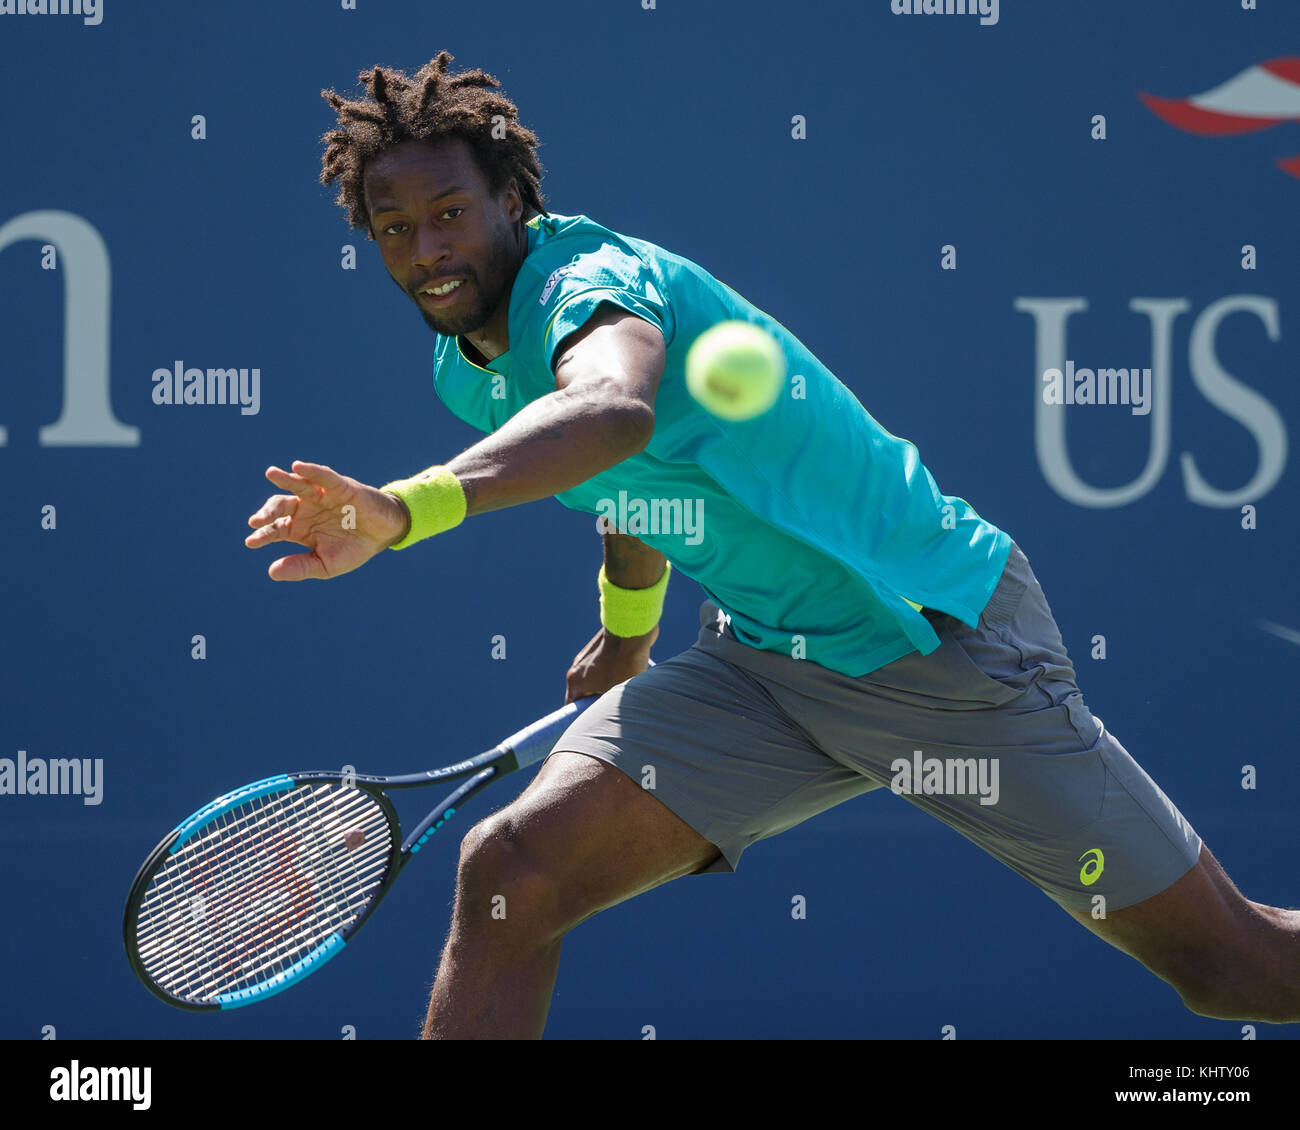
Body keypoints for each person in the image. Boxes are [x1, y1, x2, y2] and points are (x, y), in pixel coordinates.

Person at [245, 52, 1298, 1039]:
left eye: (448, 214)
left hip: (930, 644)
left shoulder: (589, 284)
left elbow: (611, 414)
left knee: (1228, 968)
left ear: (510, 202)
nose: (426, 248)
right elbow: (629, 485)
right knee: (512, 870)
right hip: (766, 662)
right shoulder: (462, 365)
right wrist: (625, 633)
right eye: (393, 227)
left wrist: (400, 509)